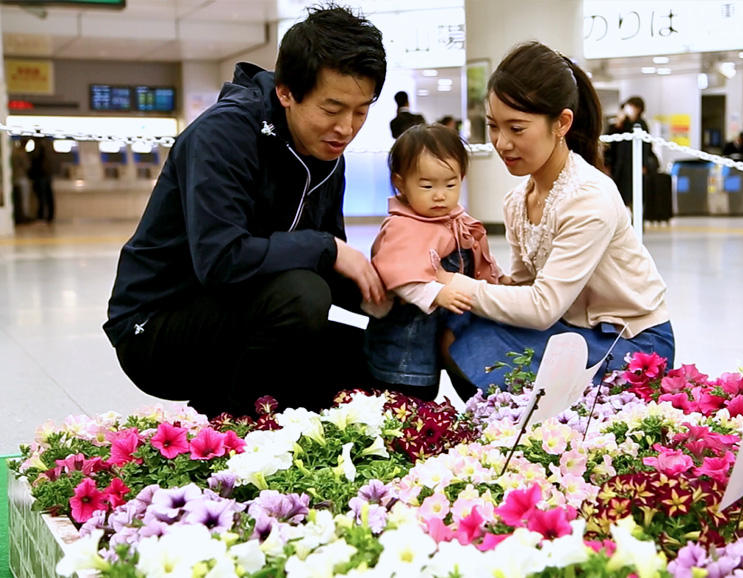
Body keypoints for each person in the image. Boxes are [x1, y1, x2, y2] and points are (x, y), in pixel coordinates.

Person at [103, 5, 388, 418]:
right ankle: (234, 432)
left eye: (361, 111)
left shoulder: (327, 153)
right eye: (332, 109)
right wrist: (327, 247)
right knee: (302, 296)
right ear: (286, 91)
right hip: (155, 328)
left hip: (243, 311)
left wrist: (396, 292)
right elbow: (221, 260)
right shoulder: (223, 135)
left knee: (377, 363)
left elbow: (329, 265)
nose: (346, 127)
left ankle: (248, 410)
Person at [436, 41, 675, 395]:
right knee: (455, 322)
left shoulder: (588, 197)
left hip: (631, 345)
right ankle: (503, 425)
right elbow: (522, 287)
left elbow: (542, 307)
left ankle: (515, 428)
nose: (502, 143)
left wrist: (457, 284)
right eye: (493, 126)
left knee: (470, 334)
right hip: (573, 331)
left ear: (561, 123)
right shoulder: (518, 201)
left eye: (516, 129)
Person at [363, 124, 501, 400]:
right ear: (401, 183)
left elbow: (479, 257)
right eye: (426, 186)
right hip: (404, 345)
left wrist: (498, 278)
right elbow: (401, 277)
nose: (440, 194)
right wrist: (439, 292)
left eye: (450, 184)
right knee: (408, 400)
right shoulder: (404, 228)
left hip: (441, 336)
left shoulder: (455, 221)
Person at [605, 96, 658, 207]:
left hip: (635, 165)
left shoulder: (641, 124)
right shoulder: (619, 124)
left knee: (636, 195)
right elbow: (609, 145)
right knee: (619, 196)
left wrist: (644, 165)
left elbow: (646, 146)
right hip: (619, 166)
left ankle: (637, 221)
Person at [27, 138, 55, 223]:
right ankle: (48, 215)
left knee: (42, 196)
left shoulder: (40, 148)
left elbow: (35, 160)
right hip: (45, 174)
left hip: (42, 175)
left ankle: (42, 215)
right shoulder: (48, 146)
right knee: (46, 196)